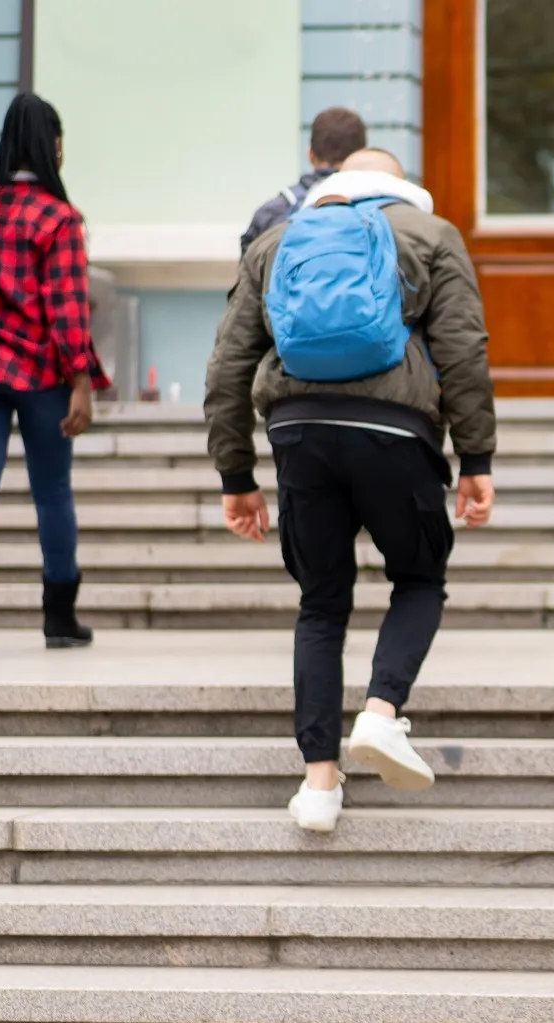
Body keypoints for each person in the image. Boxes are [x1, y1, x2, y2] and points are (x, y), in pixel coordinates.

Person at [205, 148, 499, 831]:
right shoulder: (430, 235)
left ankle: (319, 786)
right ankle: (381, 712)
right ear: (399, 186)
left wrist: (235, 477)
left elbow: (227, 363)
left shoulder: (279, 240)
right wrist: (477, 457)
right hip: (397, 433)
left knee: (320, 603)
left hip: (297, 429)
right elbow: (462, 349)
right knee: (419, 579)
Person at [0, 92, 107, 659]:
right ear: (52, 146)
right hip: (42, 377)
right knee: (51, 492)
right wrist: (81, 382)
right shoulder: (57, 217)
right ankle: (60, 617)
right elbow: (68, 309)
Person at [240, 106, 368, 254]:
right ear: (363, 155)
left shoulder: (273, 212)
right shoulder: (380, 210)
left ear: (310, 155)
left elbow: (249, 271)